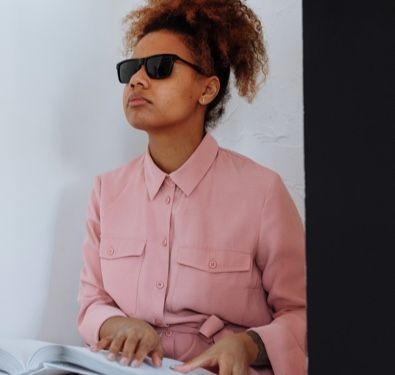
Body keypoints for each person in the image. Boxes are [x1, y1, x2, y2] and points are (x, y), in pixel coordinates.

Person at [75, 1, 306, 374]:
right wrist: (120, 325)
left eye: (159, 67)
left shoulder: (262, 193)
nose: (137, 80)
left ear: (207, 89)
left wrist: (248, 346)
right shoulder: (107, 192)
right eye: (130, 69)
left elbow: (303, 315)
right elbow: (91, 303)